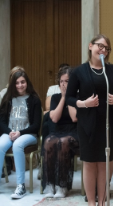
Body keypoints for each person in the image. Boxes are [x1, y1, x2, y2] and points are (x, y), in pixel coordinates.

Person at [66, 34, 113, 206]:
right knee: (90, 162)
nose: (103, 50)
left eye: (106, 48)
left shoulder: (112, 71)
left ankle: (102, 202)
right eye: (100, 46)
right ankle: (91, 202)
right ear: (91, 46)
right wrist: (83, 103)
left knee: (104, 163)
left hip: (108, 123)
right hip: (87, 124)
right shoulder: (78, 71)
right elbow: (69, 97)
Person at [0, 70, 42, 199]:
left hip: (28, 135)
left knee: (18, 145)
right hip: (10, 133)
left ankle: (21, 186)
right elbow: (1, 121)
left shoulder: (34, 100)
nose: (20, 85)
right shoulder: (8, 99)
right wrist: (9, 132)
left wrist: (20, 133)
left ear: (27, 82)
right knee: (0, 145)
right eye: (17, 83)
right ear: (13, 84)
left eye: (22, 82)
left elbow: (36, 125)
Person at [42, 66, 79, 198]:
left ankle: (62, 186)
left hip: (74, 131)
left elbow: (75, 118)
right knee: (48, 142)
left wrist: (69, 97)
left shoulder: (77, 97)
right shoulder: (55, 98)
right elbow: (54, 118)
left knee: (63, 142)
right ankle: (50, 184)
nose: (64, 84)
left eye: (67, 81)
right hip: (58, 130)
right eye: (62, 81)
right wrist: (63, 97)